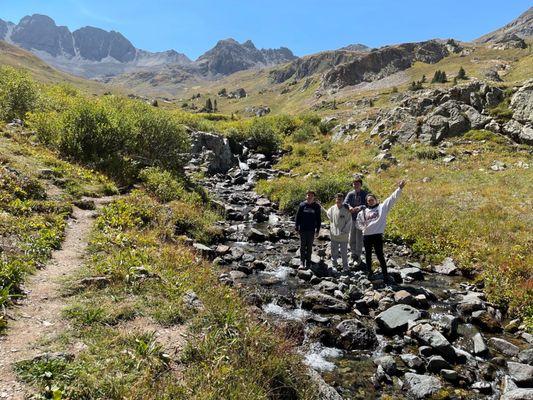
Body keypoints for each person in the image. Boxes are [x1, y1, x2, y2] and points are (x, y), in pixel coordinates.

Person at [356, 180, 406, 283]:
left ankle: (385, 274)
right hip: (367, 236)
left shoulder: (382, 207)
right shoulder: (363, 212)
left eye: (372, 199)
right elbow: (358, 223)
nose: (370, 201)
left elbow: (392, 198)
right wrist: (362, 227)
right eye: (368, 200)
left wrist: (399, 188)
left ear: (375, 200)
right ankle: (369, 272)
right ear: (367, 202)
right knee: (368, 255)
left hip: (377, 235)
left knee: (380, 255)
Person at [343, 175, 368, 266]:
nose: (355, 185)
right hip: (352, 219)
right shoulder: (350, 194)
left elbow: (368, 204)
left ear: (361, 185)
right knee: (351, 237)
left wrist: (360, 207)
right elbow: (344, 203)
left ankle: (358, 256)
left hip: (361, 220)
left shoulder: (365, 193)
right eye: (354, 184)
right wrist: (349, 207)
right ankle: (353, 254)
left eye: (357, 184)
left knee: (359, 238)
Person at [295, 190, 322, 268]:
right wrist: (296, 227)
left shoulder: (316, 206)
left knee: (309, 246)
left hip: (311, 230)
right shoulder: (302, 205)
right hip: (302, 229)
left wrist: (318, 230)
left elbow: (318, 219)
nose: (309, 197)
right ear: (306, 196)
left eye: (311, 195)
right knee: (302, 246)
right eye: (308, 195)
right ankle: (302, 262)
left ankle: (308, 262)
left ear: (314, 197)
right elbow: (297, 217)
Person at [327, 193, 352, 271]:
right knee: (334, 250)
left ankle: (345, 266)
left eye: (340, 199)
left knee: (344, 252)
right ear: (335, 199)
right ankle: (334, 265)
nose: (338, 200)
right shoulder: (332, 208)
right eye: (337, 199)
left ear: (343, 200)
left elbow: (349, 222)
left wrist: (344, 230)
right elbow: (329, 215)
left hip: (343, 235)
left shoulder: (346, 210)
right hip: (334, 233)